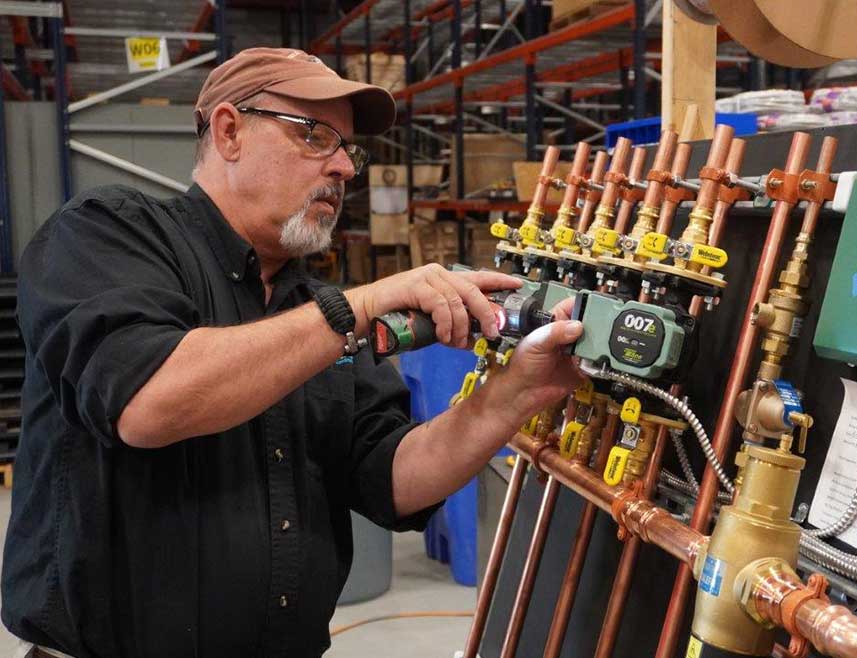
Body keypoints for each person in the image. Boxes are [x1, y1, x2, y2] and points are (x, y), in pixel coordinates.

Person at [1, 48, 583, 658]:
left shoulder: (314, 308)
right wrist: (359, 306)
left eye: (348, 148)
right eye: (314, 135)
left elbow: (393, 478)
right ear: (228, 132)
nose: (344, 168)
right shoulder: (107, 233)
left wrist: (517, 391)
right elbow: (149, 401)